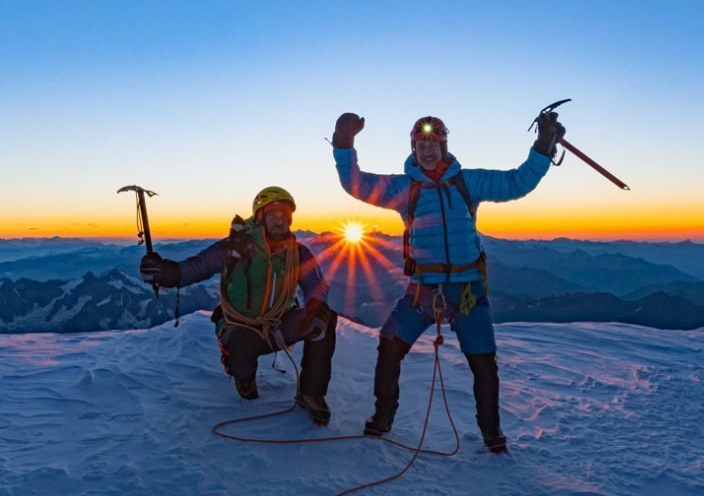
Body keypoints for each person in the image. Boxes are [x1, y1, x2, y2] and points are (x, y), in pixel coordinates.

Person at [331, 111, 565, 452]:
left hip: (468, 289)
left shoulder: (466, 181)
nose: (428, 151)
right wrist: (344, 142)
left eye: (434, 144)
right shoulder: (403, 187)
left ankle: (491, 433)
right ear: (414, 148)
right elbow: (356, 184)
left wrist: (544, 146)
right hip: (423, 290)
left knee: (484, 363)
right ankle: (382, 418)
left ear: (444, 146)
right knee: (390, 345)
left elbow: (517, 182)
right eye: (421, 145)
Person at [138, 186, 337, 425]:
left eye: (285, 215)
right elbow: (200, 266)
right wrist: (168, 273)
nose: (280, 220)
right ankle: (243, 374)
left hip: (279, 323)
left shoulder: (298, 252)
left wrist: (316, 304)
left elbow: (316, 283)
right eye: (274, 214)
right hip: (241, 326)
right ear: (260, 216)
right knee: (242, 358)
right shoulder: (237, 246)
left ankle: (311, 393)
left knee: (323, 319)